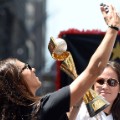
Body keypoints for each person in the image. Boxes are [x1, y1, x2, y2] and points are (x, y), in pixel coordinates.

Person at [0, 4, 120, 120]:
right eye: (26, 67)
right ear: (18, 84)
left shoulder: (19, 114)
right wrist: (113, 28)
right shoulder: (43, 108)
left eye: (112, 82)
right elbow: (95, 70)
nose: (33, 69)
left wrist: (79, 94)